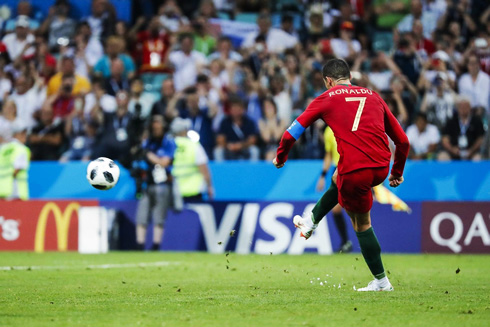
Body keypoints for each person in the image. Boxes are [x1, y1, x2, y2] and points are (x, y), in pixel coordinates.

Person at [273, 59, 410, 291]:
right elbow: (403, 141)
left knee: (362, 224)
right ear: (350, 78)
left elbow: (291, 133)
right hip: (380, 166)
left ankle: (381, 282)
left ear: (328, 81)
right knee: (338, 177)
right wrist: (396, 173)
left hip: (356, 169)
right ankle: (311, 220)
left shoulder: (326, 98)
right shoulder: (374, 96)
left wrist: (281, 156)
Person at [135, 115, 177, 251]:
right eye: (154, 125)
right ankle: (140, 244)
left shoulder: (169, 143)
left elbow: (164, 162)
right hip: (147, 183)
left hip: (162, 183)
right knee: (142, 214)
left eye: (158, 125)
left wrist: (149, 155)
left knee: (159, 216)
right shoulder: (148, 142)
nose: (156, 128)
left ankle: (156, 245)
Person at [316, 125, 353, 253]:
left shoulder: (349, 125)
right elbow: (329, 155)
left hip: (351, 167)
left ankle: (348, 241)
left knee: (353, 209)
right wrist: (322, 175)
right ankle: (346, 241)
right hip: (337, 171)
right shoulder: (328, 131)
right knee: (336, 209)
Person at [171, 117, 214, 201]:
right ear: (184, 131)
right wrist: (209, 186)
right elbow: (204, 169)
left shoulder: (168, 146)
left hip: (174, 190)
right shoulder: (194, 146)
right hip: (194, 190)